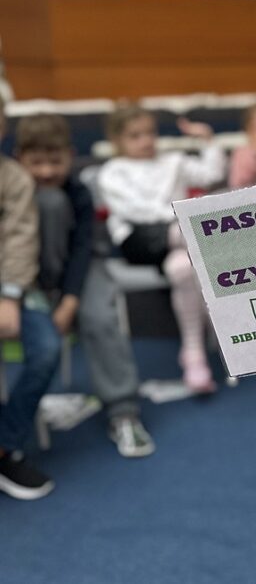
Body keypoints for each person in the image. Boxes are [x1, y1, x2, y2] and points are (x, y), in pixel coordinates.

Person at [15, 113, 154, 457]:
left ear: (70, 155)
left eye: (55, 161)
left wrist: (70, 300)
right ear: (20, 159)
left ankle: (123, 412)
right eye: (36, 162)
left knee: (100, 318)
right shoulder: (13, 191)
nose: (46, 171)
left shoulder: (78, 193)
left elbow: (81, 251)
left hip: (83, 270)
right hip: (27, 276)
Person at [97, 106, 226, 393]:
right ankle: (227, 324)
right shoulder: (112, 172)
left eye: (150, 133)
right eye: (135, 136)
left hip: (179, 241)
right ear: (117, 140)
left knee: (182, 268)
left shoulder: (172, 161)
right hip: (140, 241)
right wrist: (179, 217)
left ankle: (193, 354)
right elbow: (133, 211)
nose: (146, 141)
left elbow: (212, 174)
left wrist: (207, 140)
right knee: (199, 234)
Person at [0, 102, 60, 500]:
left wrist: (9, 295)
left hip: (16, 287)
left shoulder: (15, 178)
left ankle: (5, 446)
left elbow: (21, 239)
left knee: (46, 349)